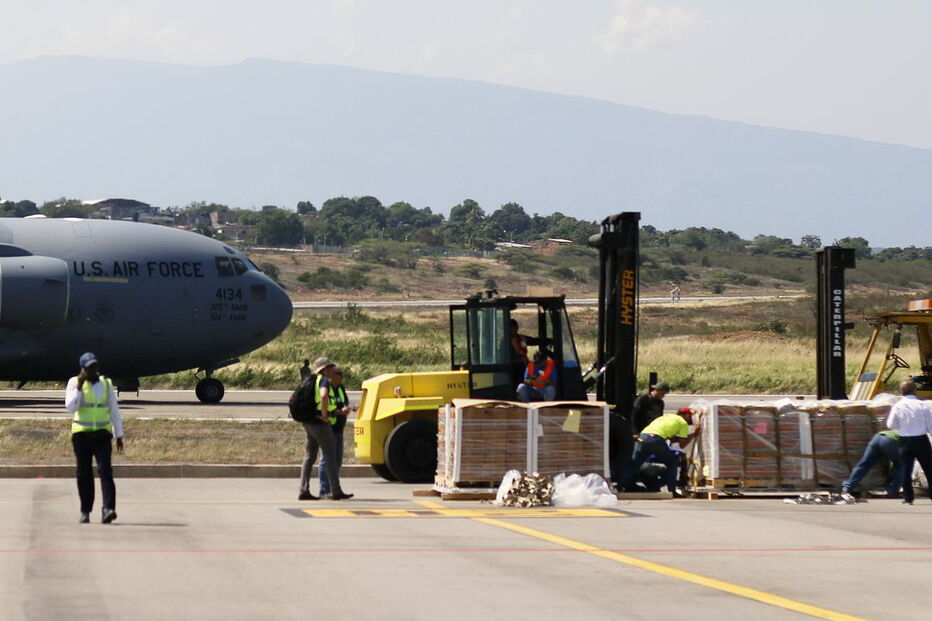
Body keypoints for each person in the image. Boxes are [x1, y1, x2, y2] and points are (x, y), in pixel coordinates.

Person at [65, 352, 124, 524]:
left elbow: (114, 410)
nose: (92, 370)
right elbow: (70, 407)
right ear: (82, 368)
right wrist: (79, 388)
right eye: (89, 367)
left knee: (105, 471)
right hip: (81, 434)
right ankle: (85, 511)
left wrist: (119, 434)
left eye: (94, 366)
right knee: (84, 474)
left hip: (102, 435)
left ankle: (108, 509)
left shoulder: (106, 384)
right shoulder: (74, 383)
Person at [298, 357, 353, 501]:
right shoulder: (322, 381)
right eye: (329, 368)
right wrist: (324, 415)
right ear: (325, 369)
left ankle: (303, 489)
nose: (331, 371)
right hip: (319, 423)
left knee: (309, 456)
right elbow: (323, 396)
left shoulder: (311, 379)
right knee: (329, 456)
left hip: (308, 421)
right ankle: (335, 490)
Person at [619, 408, 698, 496]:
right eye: (690, 418)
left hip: (642, 437)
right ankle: (672, 491)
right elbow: (682, 444)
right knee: (672, 463)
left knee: (633, 465)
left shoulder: (665, 417)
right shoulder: (683, 423)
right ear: (686, 416)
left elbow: (671, 437)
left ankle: (619, 487)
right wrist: (694, 434)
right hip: (655, 440)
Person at [885, 379, 932, 505]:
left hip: (905, 439)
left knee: (906, 469)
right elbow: (930, 424)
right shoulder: (922, 405)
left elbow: (890, 424)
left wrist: (903, 426)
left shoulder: (898, 406)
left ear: (901, 391)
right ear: (915, 390)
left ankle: (908, 498)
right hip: (921, 439)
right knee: (929, 469)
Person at [318, 365, 351, 498]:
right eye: (339, 374)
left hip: (339, 428)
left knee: (337, 460)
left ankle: (334, 488)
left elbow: (345, 402)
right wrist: (338, 412)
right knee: (326, 459)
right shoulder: (326, 387)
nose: (342, 377)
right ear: (333, 376)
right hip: (328, 427)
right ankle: (324, 489)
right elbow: (324, 406)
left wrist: (348, 408)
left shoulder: (341, 388)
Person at [841, 431, 902, 498]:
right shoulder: (911, 437)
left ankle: (846, 489)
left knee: (864, 465)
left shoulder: (902, 430)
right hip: (890, 441)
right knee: (901, 467)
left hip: (877, 438)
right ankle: (893, 492)